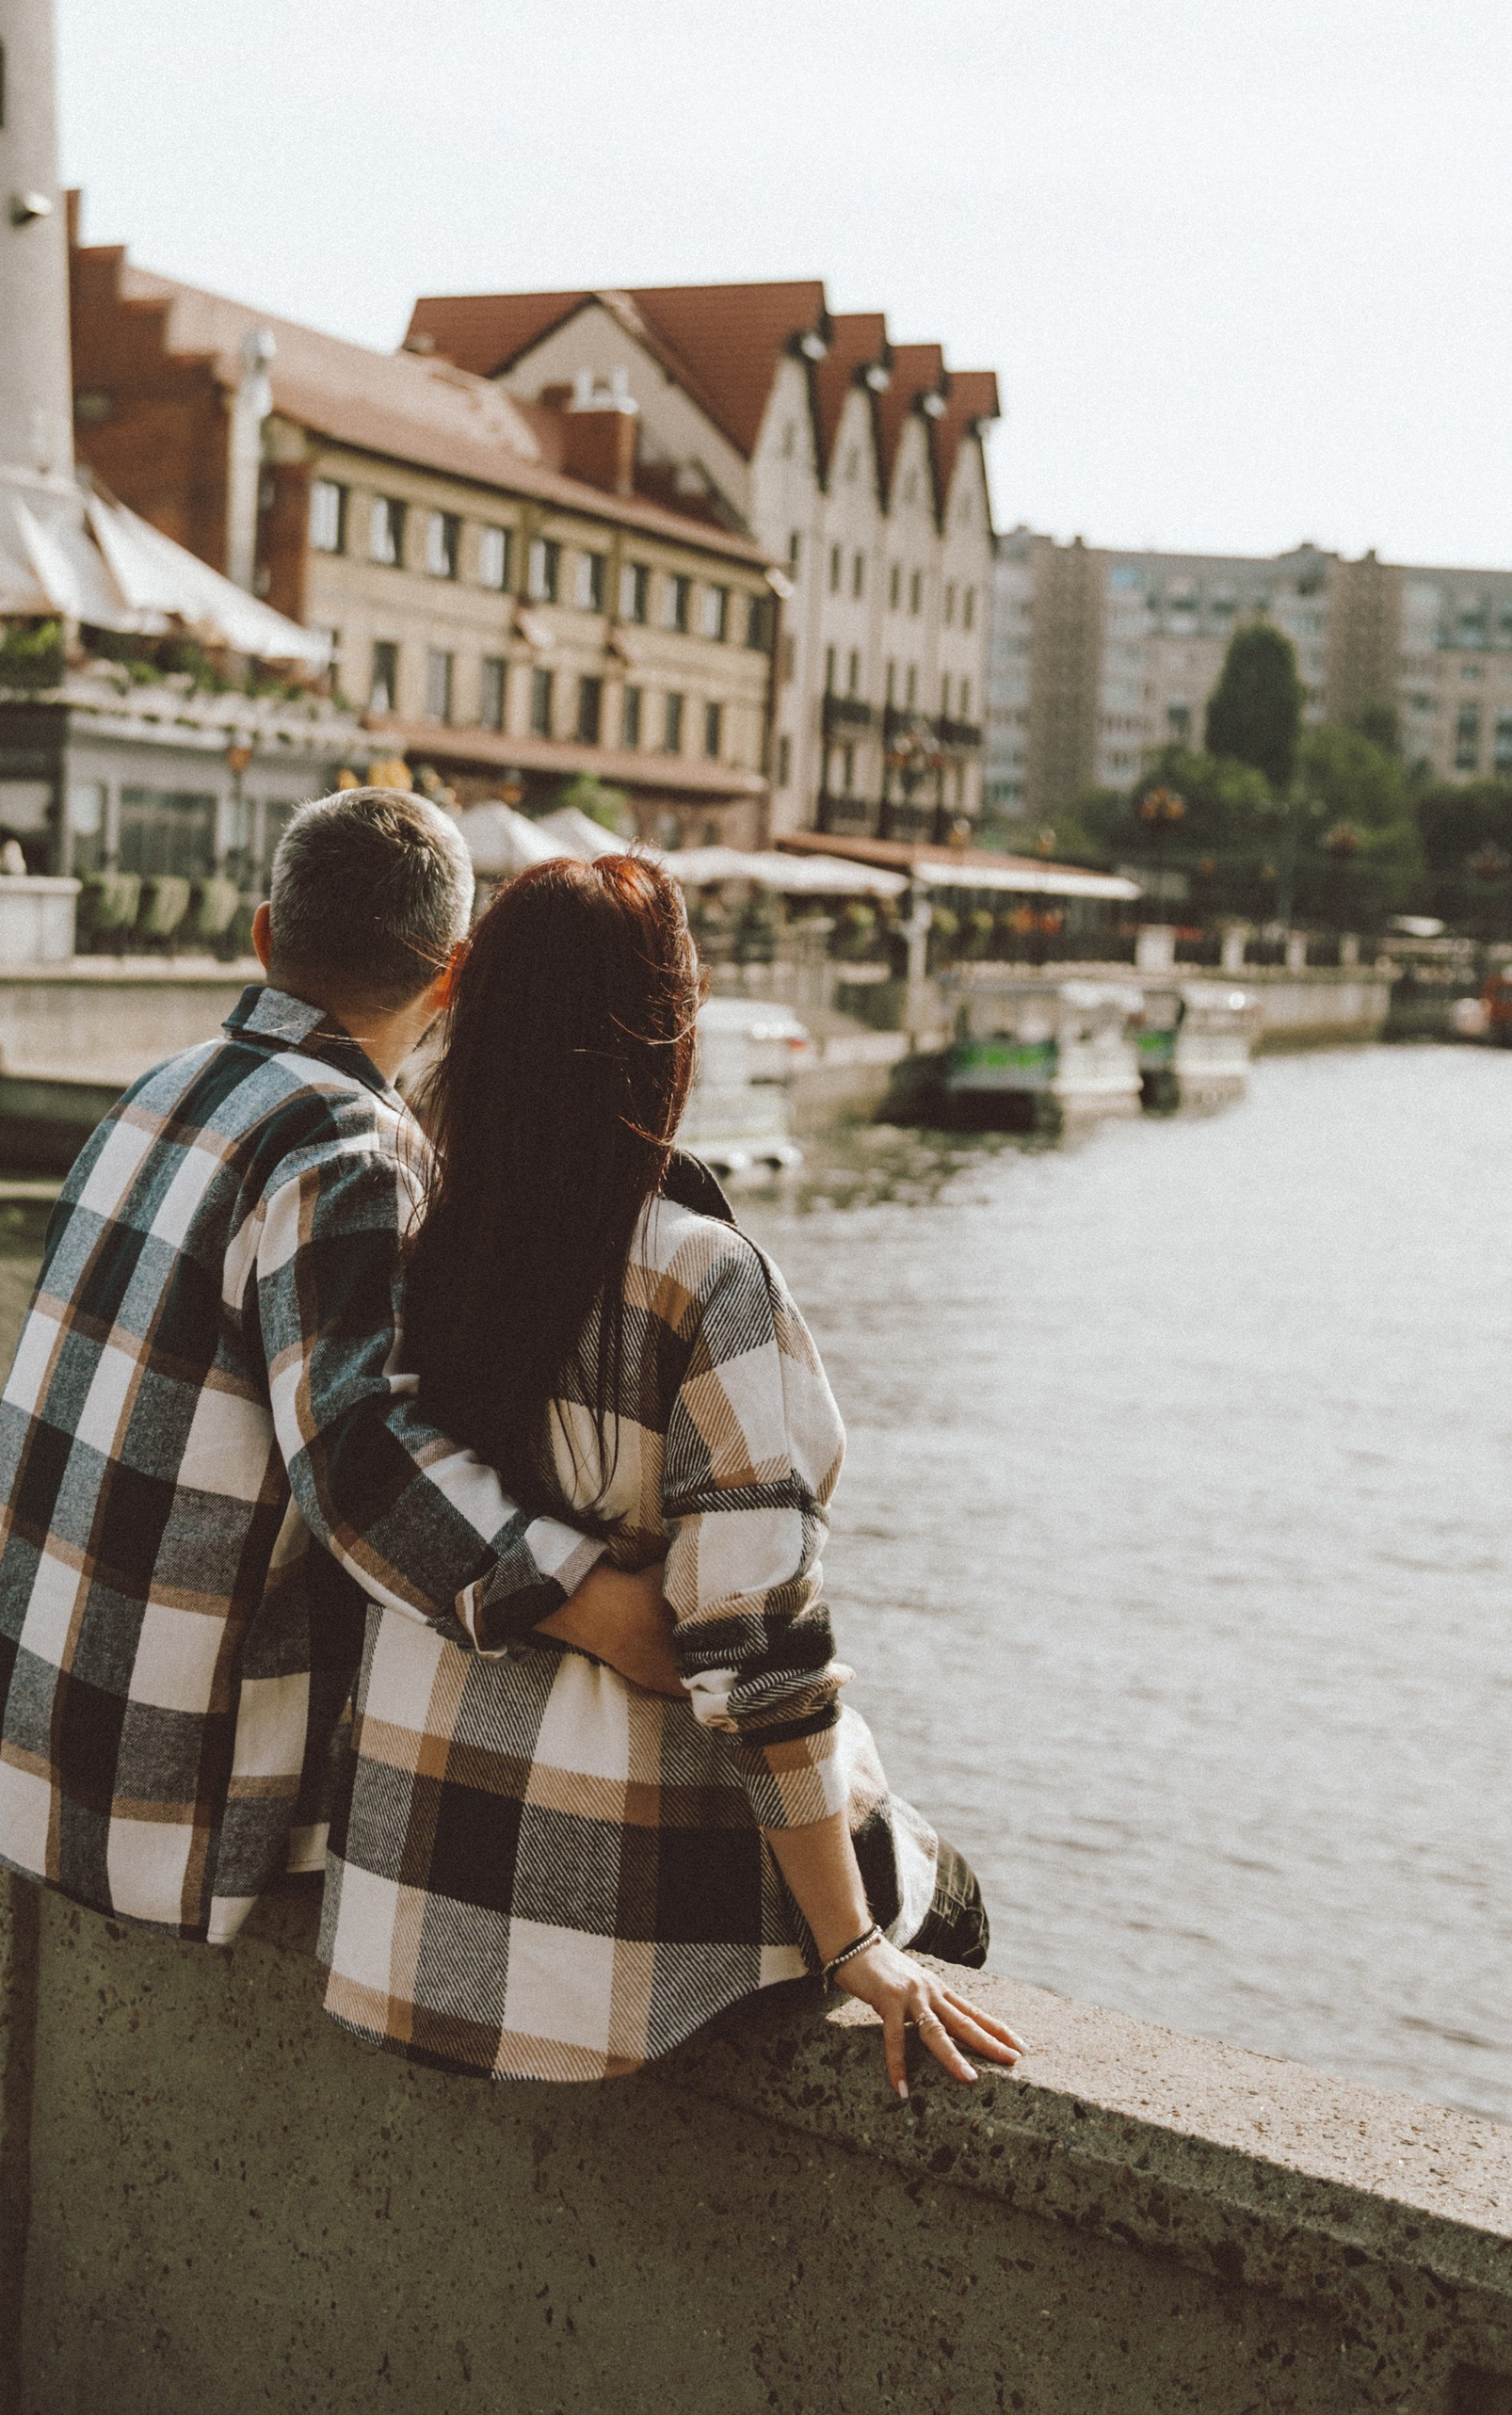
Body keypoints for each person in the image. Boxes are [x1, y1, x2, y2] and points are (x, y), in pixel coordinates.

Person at [315, 850, 1021, 2101]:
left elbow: (359, 1485)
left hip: (403, 1908)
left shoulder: (412, 1239)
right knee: (952, 1894)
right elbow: (760, 1666)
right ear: (666, 1035)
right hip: (602, 1952)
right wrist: (856, 1946)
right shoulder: (700, 1280)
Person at [0, 788, 684, 1941]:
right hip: (166, 1812)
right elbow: (360, 1464)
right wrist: (593, 1606)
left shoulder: (153, 1091)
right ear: (450, 980)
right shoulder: (348, 1141)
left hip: (13, 1745)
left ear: (263, 935)